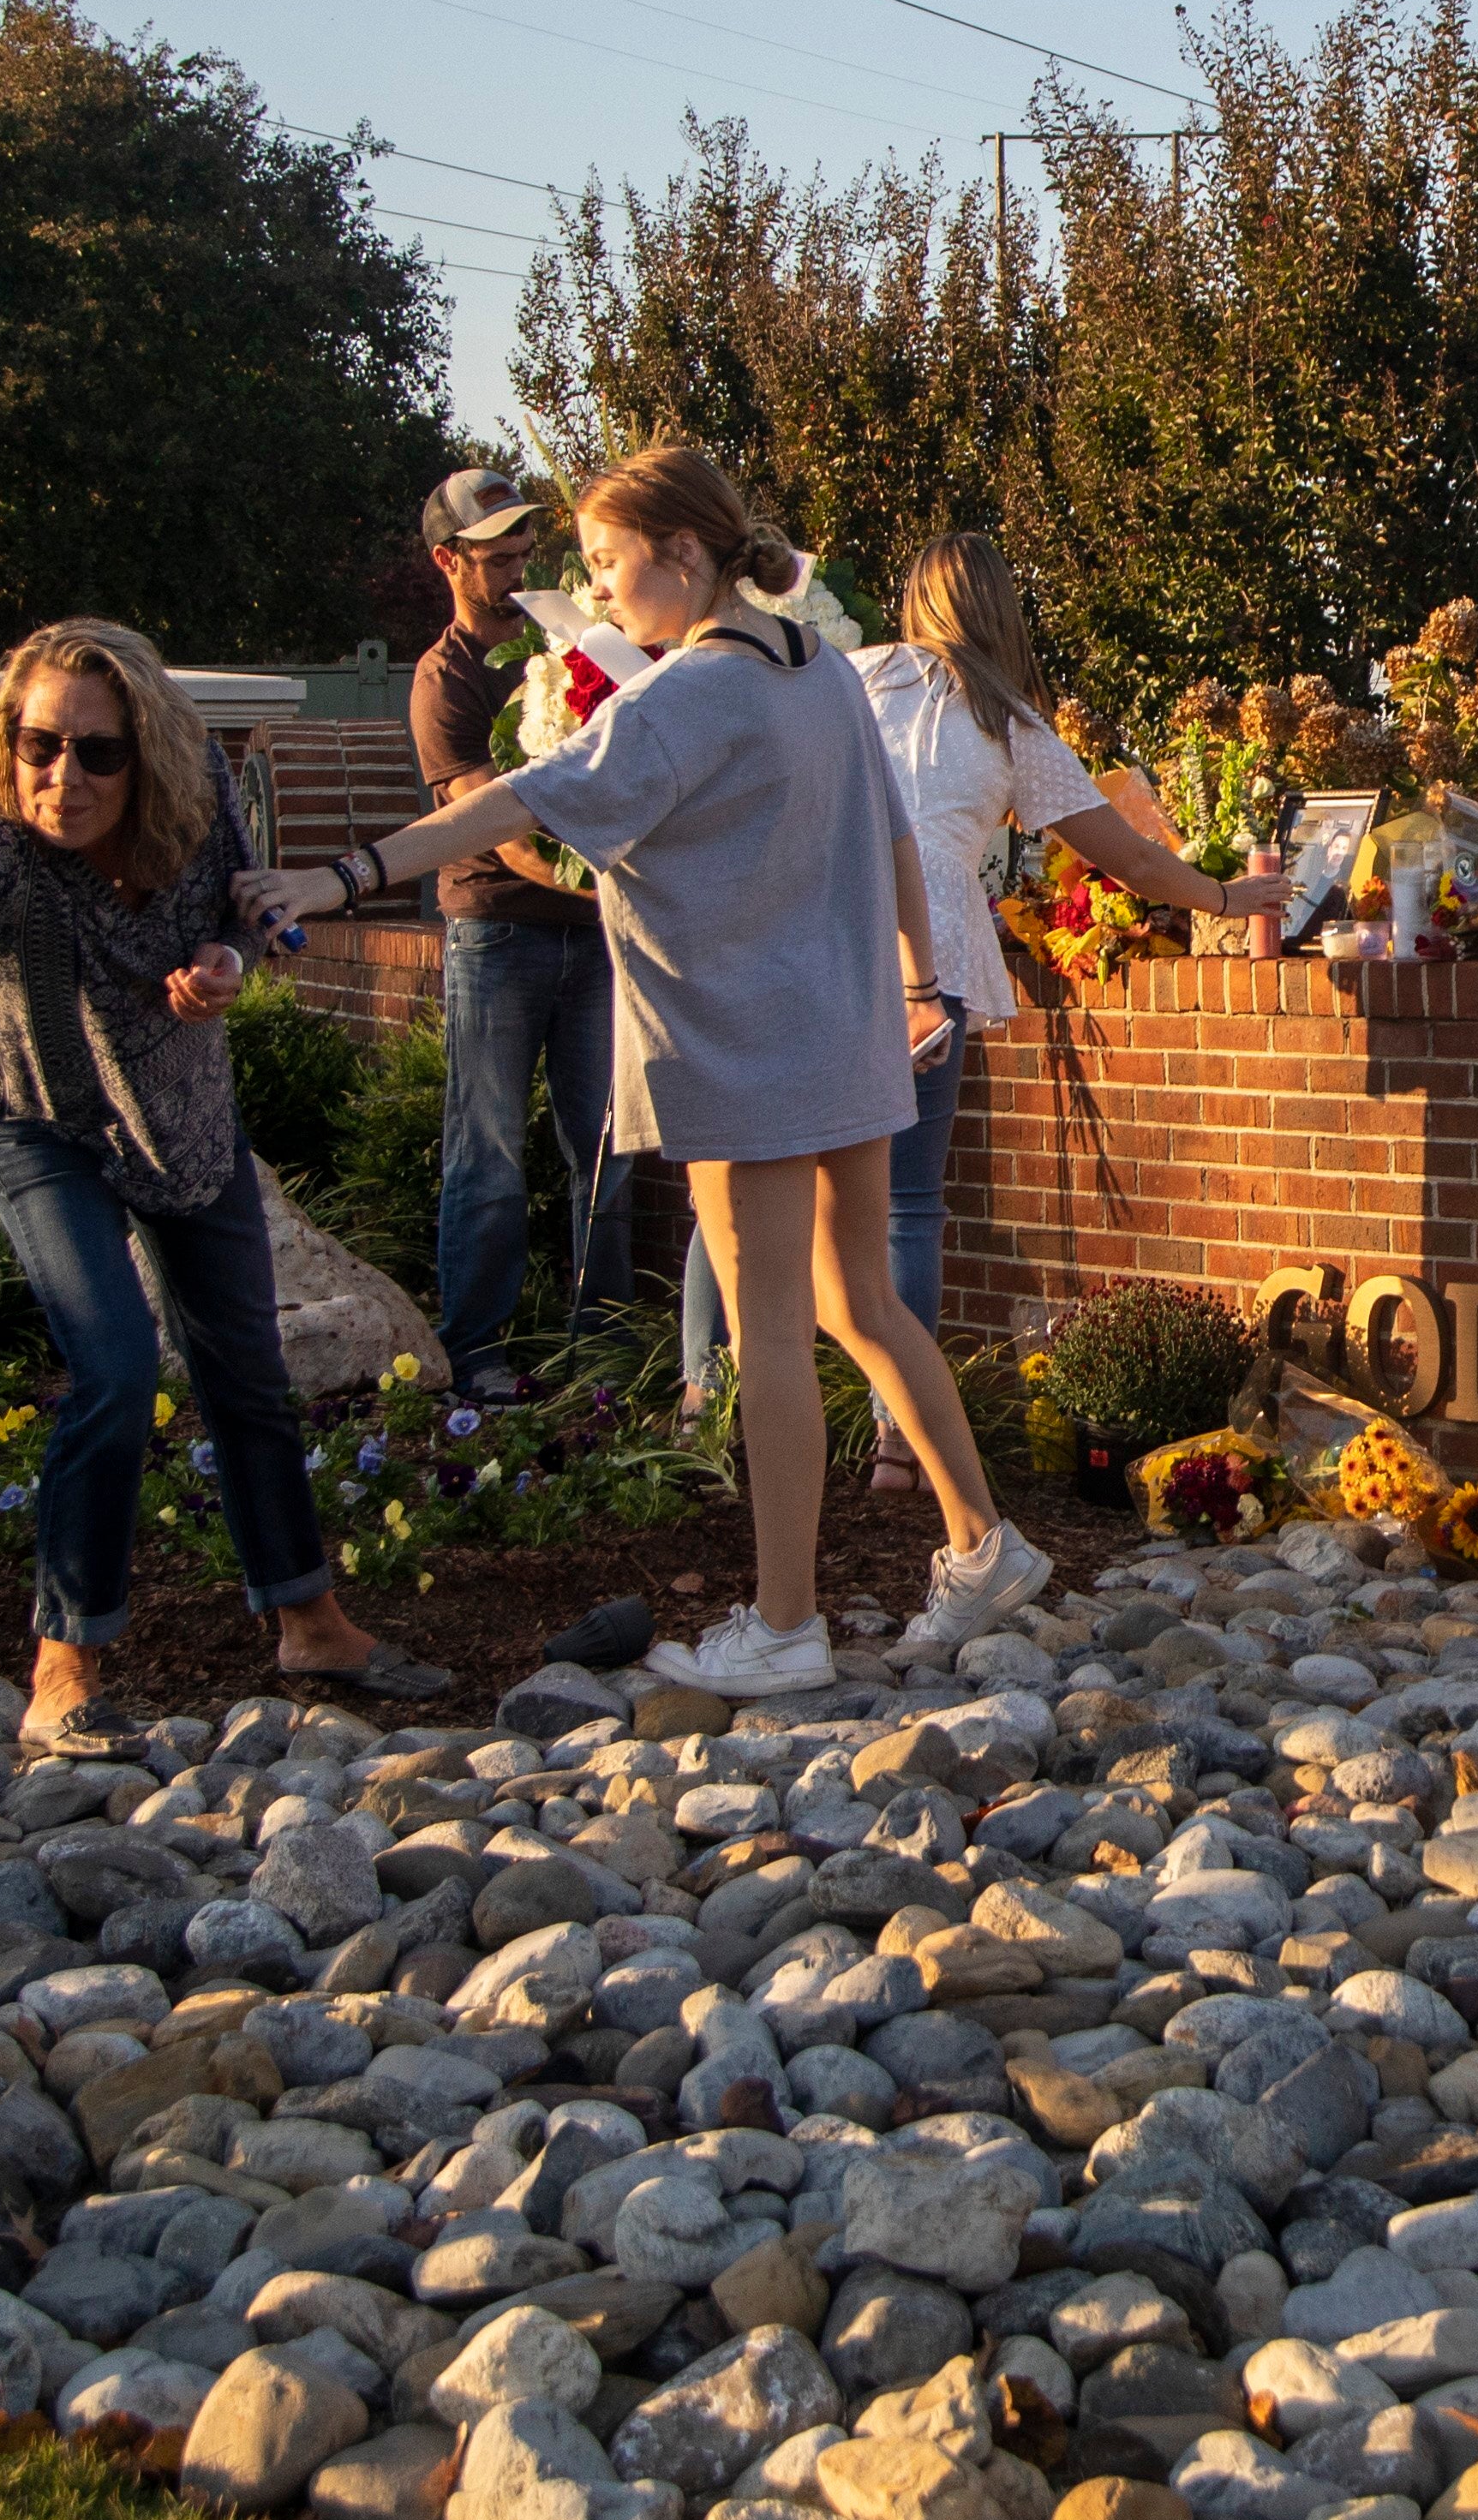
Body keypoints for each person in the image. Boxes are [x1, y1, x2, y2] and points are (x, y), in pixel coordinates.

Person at [245, 445, 1042, 1699]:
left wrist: (335, 875)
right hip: (845, 1033)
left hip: (745, 1044)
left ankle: (783, 1623)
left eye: (611, 563)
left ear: (681, 552)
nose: (599, 592)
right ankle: (981, 1542)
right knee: (858, 1304)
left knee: (771, 1328)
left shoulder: (682, 698)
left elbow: (505, 803)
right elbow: (893, 837)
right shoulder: (821, 667)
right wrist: (911, 980)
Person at [0, 618, 450, 1756]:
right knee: (109, 1362)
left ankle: (311, 1623)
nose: (65, 775)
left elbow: (238, 918)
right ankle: (65, 1665)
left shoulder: (198, 796)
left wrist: (228, 966)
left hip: (183, 1121)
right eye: (42, 745)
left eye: (97, 752)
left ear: (145, 755)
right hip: (39, 1120)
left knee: (246, 1372)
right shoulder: (0, 840)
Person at [679, 531, 1277, 1498]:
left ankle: (703, 1405)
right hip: (927, 964)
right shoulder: (1007, 723)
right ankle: (896, 1443)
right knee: (906, 1210)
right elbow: (1129, 859)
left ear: (915, 601)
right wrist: (1223, 898)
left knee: (741, 1188)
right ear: (1002, 611)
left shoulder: (848, 676)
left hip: (804, 949)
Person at [408, 458, 631, 1395]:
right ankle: (477, 1352)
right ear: (447, 562)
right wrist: (610, 889)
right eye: (493, 552)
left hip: (589, 935)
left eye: (523, 546)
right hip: (500, 937)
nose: (515, 564)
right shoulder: (445, 681)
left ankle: (609, 1348)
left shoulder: (577, 644)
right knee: (489, 1148)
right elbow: (490, 826)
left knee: (606, 1145)